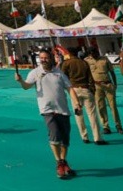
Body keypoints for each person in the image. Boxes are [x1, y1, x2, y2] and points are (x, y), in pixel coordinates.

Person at [15, 49, 82, 179]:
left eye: (46, 57)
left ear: (51, 58)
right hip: (47, 110)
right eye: (41, 58)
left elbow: (69, 88)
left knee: (65, 140)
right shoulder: (35, 72)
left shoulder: (59, 72)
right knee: (55, 136)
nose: (43, 60)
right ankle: (59, 162)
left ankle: (63, 161)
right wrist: (21, 81)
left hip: (62, 109)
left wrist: (77, 103)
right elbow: (27, 86)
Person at [59, 48, 107, 145]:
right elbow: (90, 77)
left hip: (74, 90)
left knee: (78, 114)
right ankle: (97, 137)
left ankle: (84, 136)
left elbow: (62, 76)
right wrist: (92, 89)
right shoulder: (84, 63)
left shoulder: (66, 63)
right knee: (92, 114)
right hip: (86, 88)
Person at [85, 47, 123, 134]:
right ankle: (105, 126)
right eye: (92, 53)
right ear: (90, 54)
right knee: (100, 106)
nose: (94, 55)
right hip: (96, 86)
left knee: (113, 106)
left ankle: (118, 125)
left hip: (108, 84)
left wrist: (115, 84)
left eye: (95, 53)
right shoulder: (87, 61)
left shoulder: (104, 59)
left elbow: (112, 72)